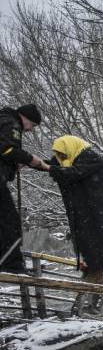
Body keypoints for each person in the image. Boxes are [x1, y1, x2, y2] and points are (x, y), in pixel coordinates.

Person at [47, 136, 103, 285]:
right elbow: (58, 167)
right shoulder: (74, 160)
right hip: (87, 213)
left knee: (96, 245)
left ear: (71, 149)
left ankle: (95, 281)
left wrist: (47, 167)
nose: (60, 158)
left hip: (100, 213)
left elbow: (72, 173)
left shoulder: (90, 159)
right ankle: (92, 280)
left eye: (62, 154)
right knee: (88, 245)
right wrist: (31, 162)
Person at [0, 104, 48, 272]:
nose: (31, 130)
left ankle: (8, 260)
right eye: (33, 126)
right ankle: (11, 264)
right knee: (10, 222)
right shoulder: (11, 123)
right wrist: (30, 159)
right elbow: (7, 149)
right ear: (25, 117)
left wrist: (14, 164)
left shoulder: (4, 120)